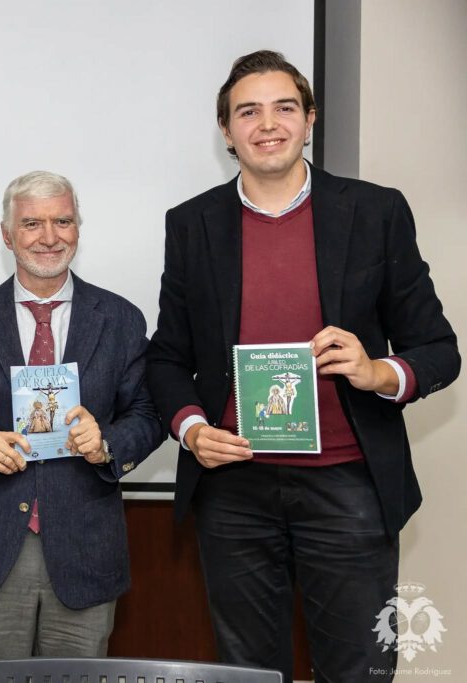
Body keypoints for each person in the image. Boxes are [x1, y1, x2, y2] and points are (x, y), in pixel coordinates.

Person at [146, 50, 460, 683]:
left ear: (310, 119)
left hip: (348, 485)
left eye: (285, 107)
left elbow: (438, 349)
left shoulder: (375, 212)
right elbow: (167, 357)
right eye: (248, 111)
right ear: (226, 130)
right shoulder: (192, 225)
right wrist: (191, 429)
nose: (268, 123)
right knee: (248, 673)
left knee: (359, 669)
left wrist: (376, 372)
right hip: (233, 490)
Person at [0, 171, 163, 683]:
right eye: (31, 223)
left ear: (78, 228)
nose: (49, 236)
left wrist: (106, 444)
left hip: (84, 547)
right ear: (7, 234)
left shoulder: (121, 319)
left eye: (62, 221)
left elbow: (148, 415)